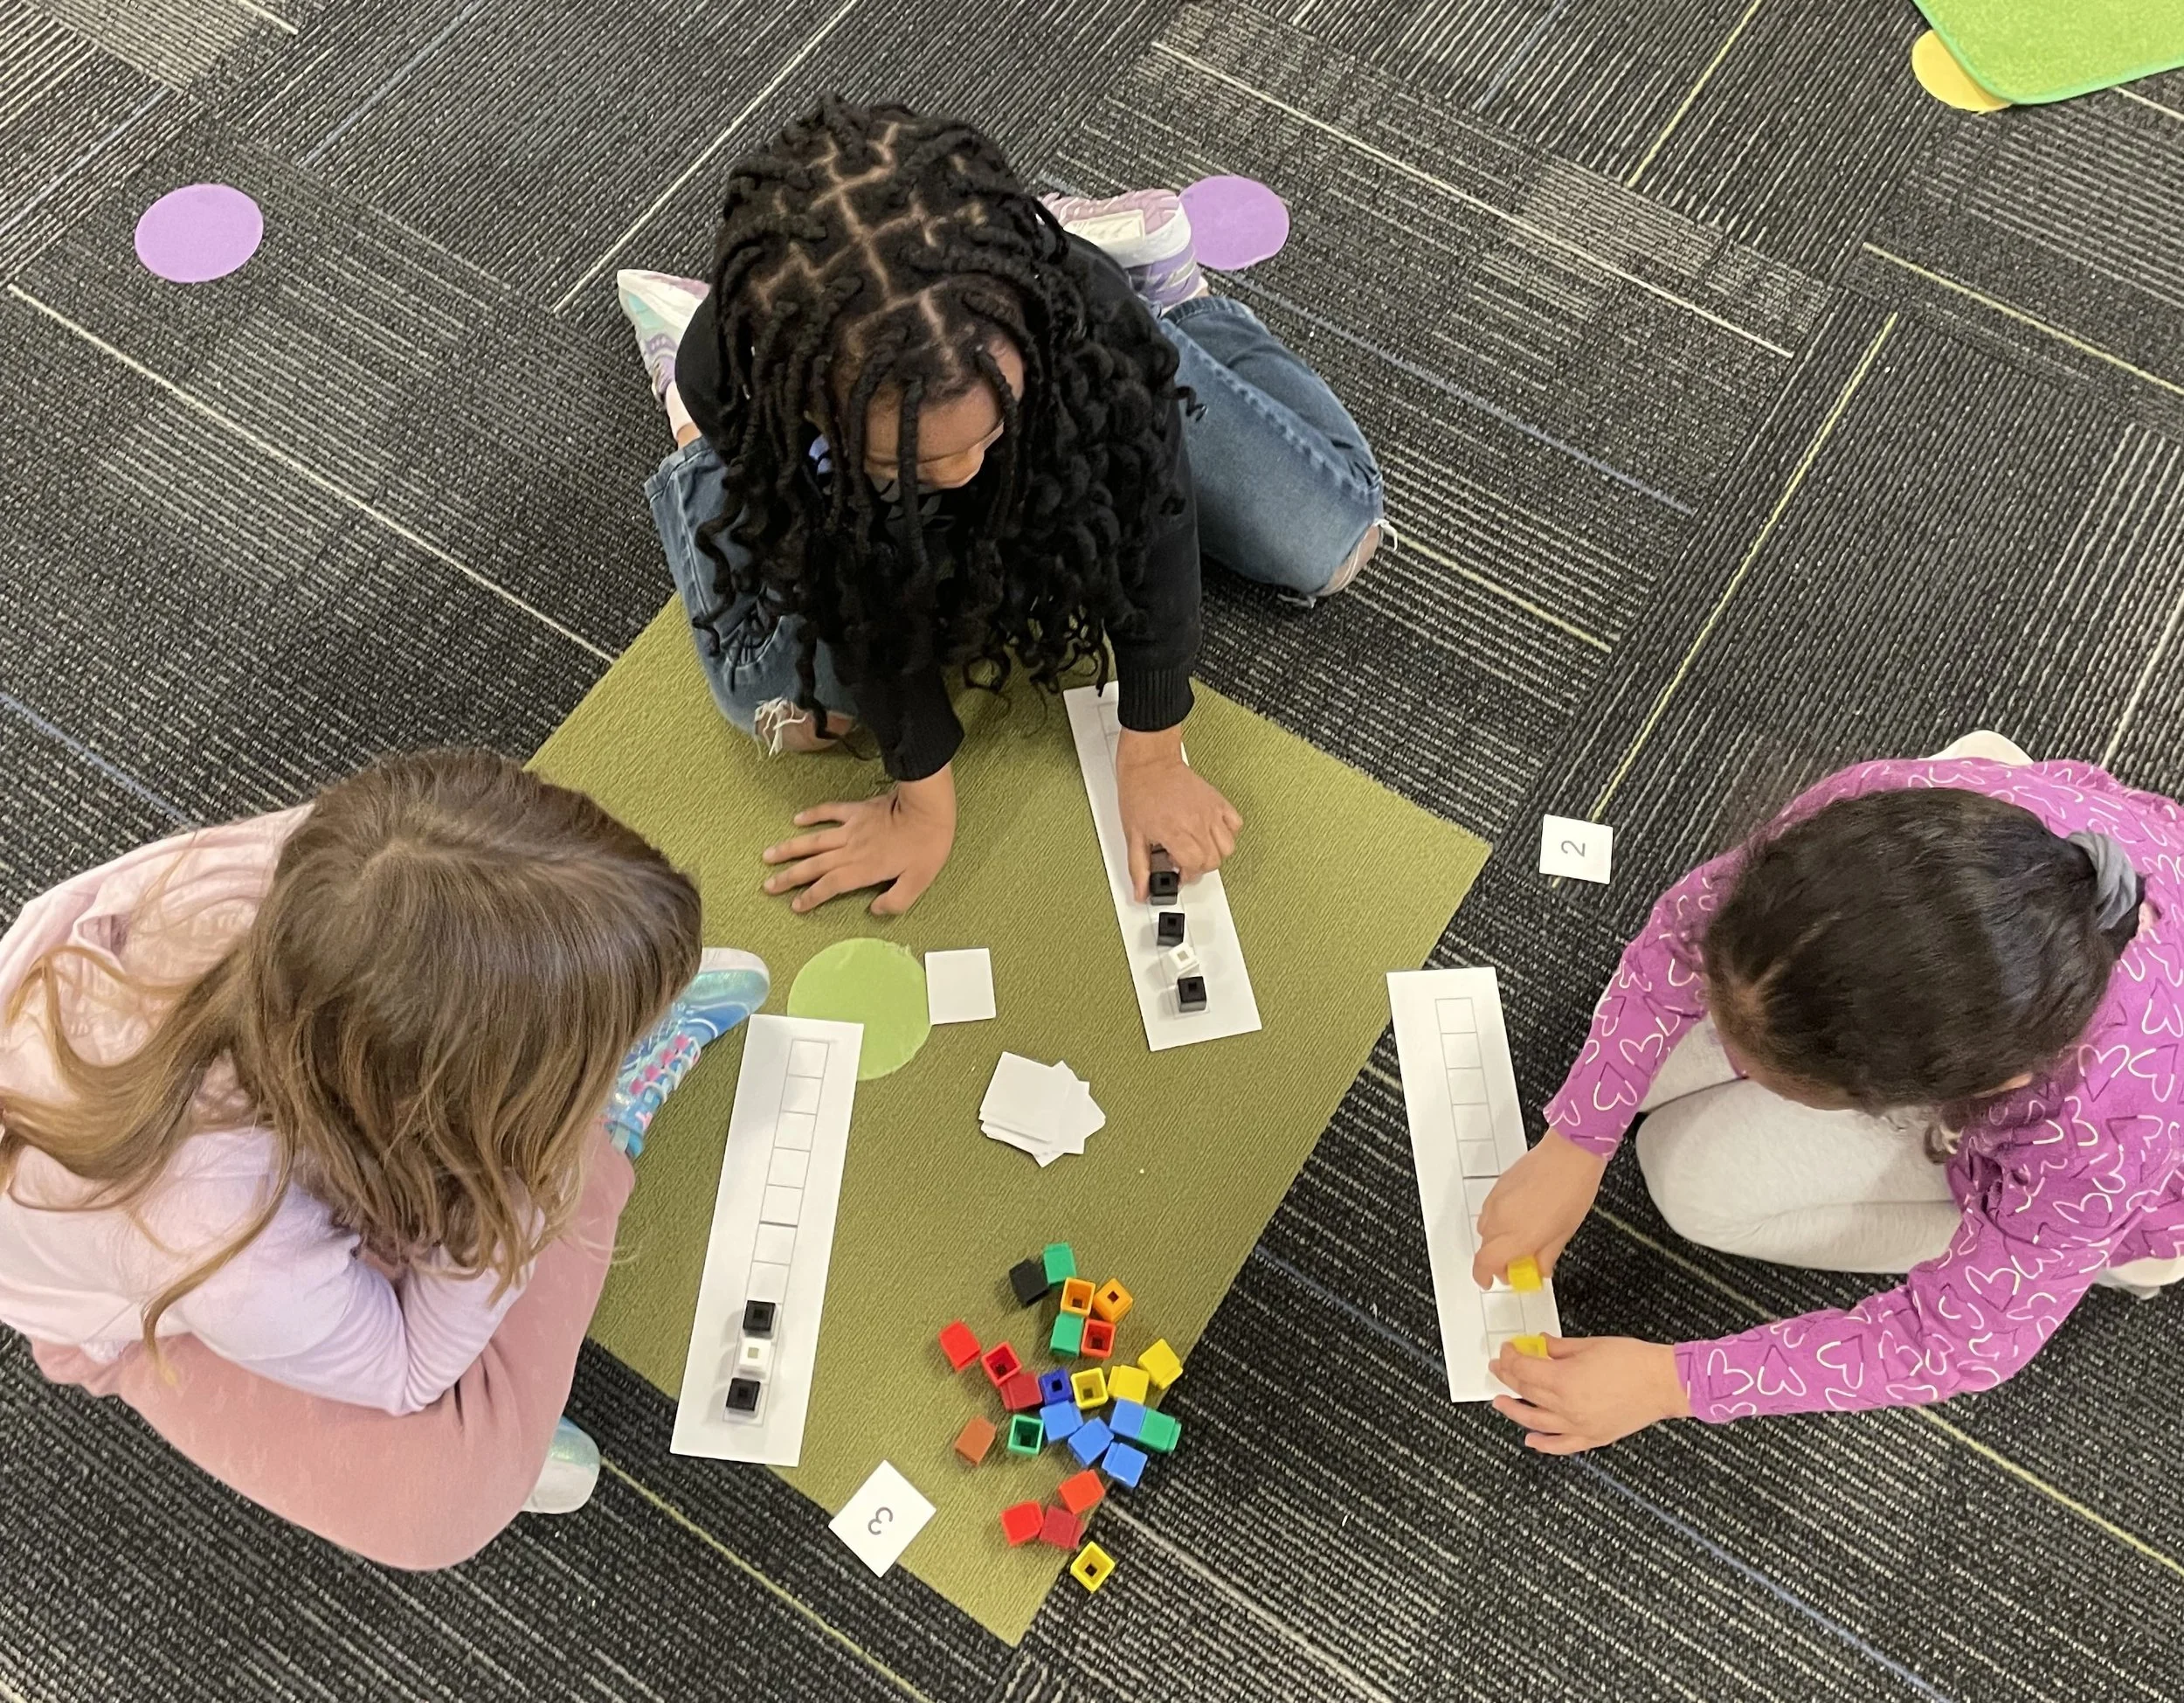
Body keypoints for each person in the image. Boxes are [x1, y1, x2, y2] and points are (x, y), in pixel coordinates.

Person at [613, 97, 1387, 917]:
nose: (959, 471)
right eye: (911, 457)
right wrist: (922, 802)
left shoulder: (1081, 317)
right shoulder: (742, 376)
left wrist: (1154, 750)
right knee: (769, 701)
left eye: (989, 430)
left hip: (1079, 343)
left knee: (1333, 543)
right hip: (828, 458)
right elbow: (845, 585)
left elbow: (1156, 515)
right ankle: (686, 419)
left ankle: (1170, 296)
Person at [0, 750, 768, 1564]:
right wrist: (529, 1166)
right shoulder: (238, 1258)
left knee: (486, 1191)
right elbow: (407, 1371)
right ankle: (598, 1130)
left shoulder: (325, 867)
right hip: (137, 1312)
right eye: (610, 1046)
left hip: (290, 1146)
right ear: (433, 1112)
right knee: (450, 1495)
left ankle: (546, 1130)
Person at [1475, 733, 2184, 1452]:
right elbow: (1685, 933)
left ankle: (2108, 1255)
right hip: (2064, 916)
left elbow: (1955, 1340)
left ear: (1949, 1092)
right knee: (1653, 1064)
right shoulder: (1872, 810)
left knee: (1685, 1178)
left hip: (2115, 1167)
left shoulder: (2103, 1127)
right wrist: (1577, 1139)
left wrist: (1672, 1381)